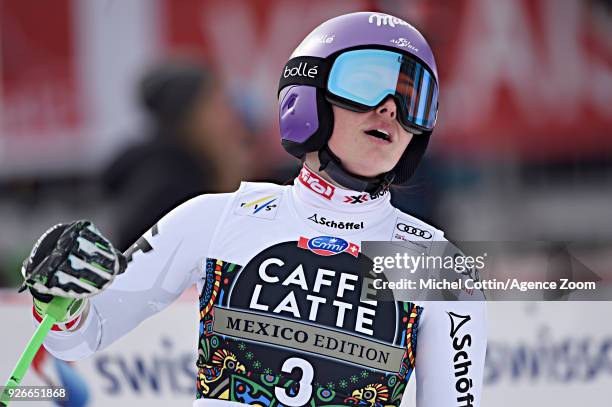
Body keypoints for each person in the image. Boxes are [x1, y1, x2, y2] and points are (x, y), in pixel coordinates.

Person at [20, 12, 486, 407]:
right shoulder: (216, 217)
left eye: (414, 98)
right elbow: (80, 336)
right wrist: (58, 297)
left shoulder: (437, 266)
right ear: (309, 95)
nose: (390, 110)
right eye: (366, 83)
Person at [103, 59, 252, 251]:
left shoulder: (198, 169)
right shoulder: (166, 188)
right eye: (218, 106)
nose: (231, 117)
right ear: (190, 117)